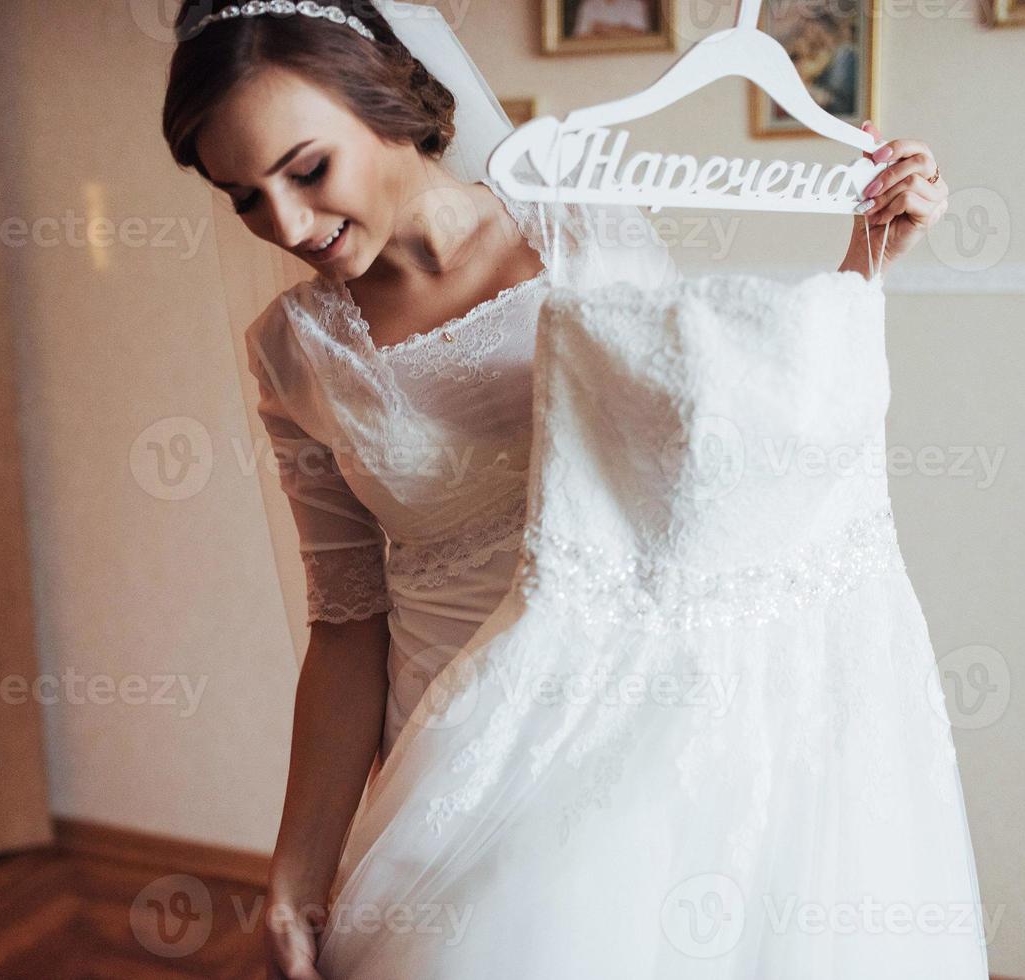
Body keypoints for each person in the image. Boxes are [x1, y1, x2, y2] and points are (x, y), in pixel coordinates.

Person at [162, 2, 954, 976]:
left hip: (619, 737)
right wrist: (296, 872)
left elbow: (712, 482)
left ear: (387, 103)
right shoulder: (291, 352)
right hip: (445, 761)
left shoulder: (576, 236)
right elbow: (344, 621)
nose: (283, 224)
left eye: (306, 169)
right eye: (243, 196)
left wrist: (857, 268)